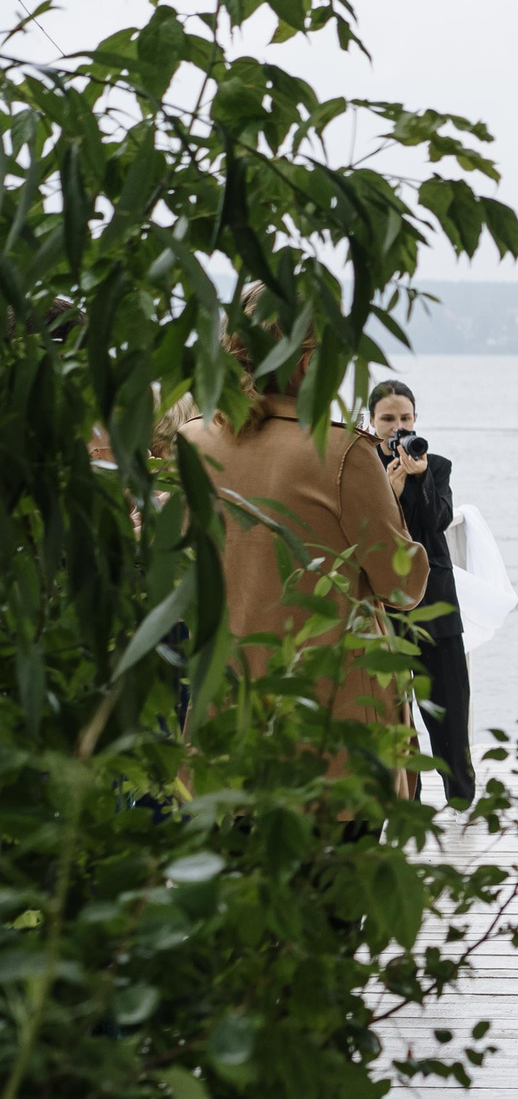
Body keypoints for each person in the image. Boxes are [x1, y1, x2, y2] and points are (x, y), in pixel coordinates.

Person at [180, 301, 427, 780]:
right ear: (311, 362)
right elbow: (403, 585)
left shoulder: (193, 442)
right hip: (332, 728)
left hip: (223, 719)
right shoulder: (342, 452)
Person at [365, 380, 474, 808]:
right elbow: (368, 532)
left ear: (416, 421)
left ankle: (462, 800)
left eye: (405, 419)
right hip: (386, 603)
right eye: (388, 419)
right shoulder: (361, 467)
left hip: (434, 602)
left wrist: (421, 477)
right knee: (395, 709)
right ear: (371, 423)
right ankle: (407, 800)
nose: (397, 429)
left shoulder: (438, 466)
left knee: (449, 705)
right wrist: (387, 494)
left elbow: (437, 520)